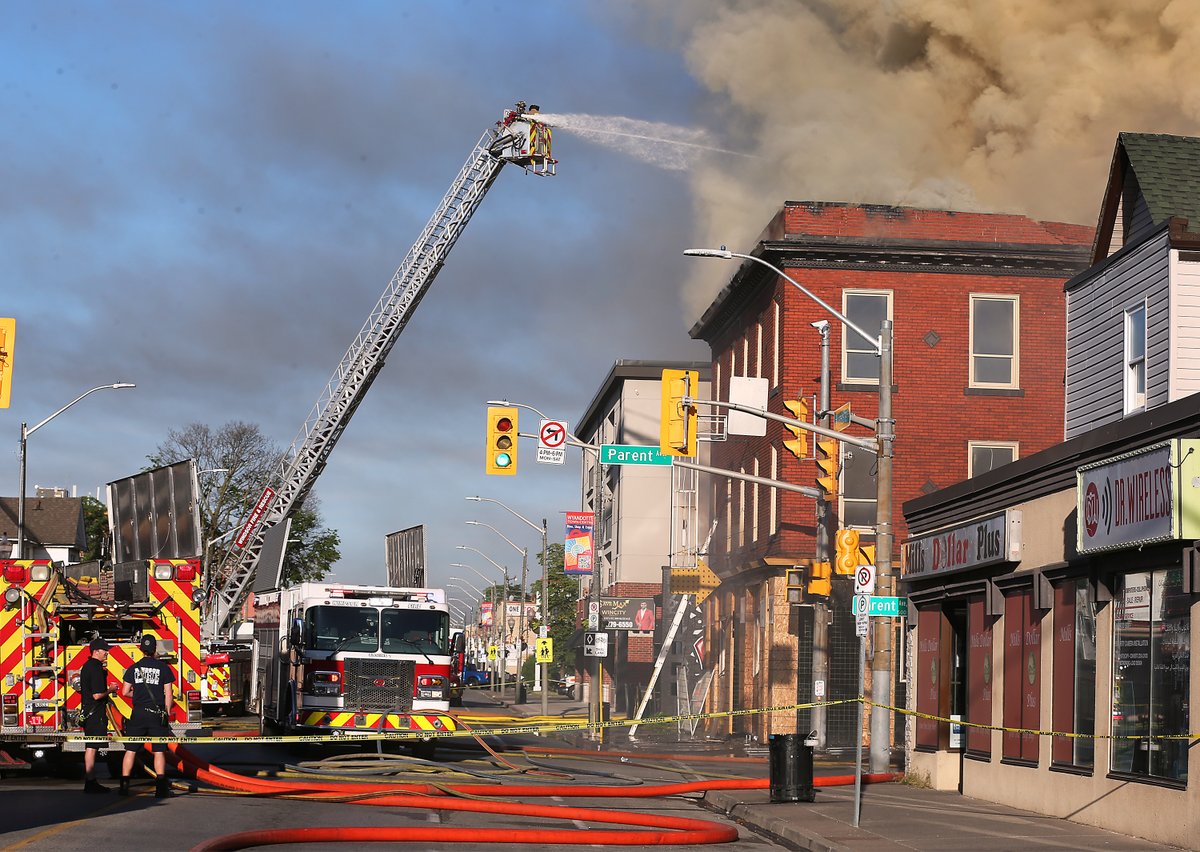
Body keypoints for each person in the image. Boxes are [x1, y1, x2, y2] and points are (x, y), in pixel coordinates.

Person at [120, 635, 174, 797]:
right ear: (155, 649)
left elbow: (124, 692)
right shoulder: (163, 668)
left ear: (141, 649)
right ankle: (161, 787)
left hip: (138, 714)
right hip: (156, 714)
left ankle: (124, 786)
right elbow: (168, 694)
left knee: (130, 750)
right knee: (159, 751)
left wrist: (137, 696)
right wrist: (166, 712)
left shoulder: (133, 668)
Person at [80, 636, 118, 793]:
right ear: (96, 651)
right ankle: (90, 781)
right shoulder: (95, 668)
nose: (107, 653)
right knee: (92, 747)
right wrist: (111, 690)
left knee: (91, 746)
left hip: (89, 712)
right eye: (104, 650)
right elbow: (97, 695)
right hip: (95, 713)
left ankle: (90, 780)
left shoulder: (87, 666)